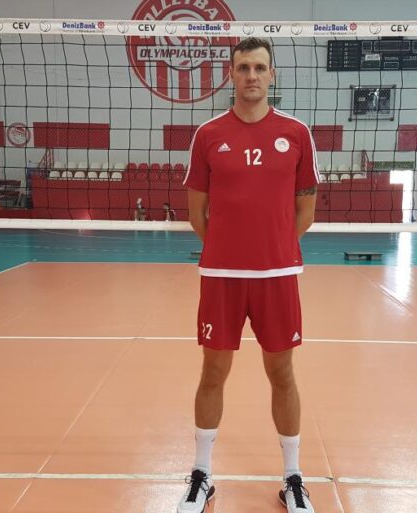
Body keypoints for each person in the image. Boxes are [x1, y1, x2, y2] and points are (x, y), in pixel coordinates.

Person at [177, 37, 320, 513]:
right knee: (212, 373)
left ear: (272, 74)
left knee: (282, 373)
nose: (252, 76)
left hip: (277, 276)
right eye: (243, 68)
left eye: (260, 67)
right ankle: (201, 475)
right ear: (232, 75)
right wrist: (230, 249)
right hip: (222, 275)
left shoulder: (296, 133)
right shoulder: (208, 134)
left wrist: (271, 248)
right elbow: (197, 213)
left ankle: (293, 477)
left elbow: (305, 211)